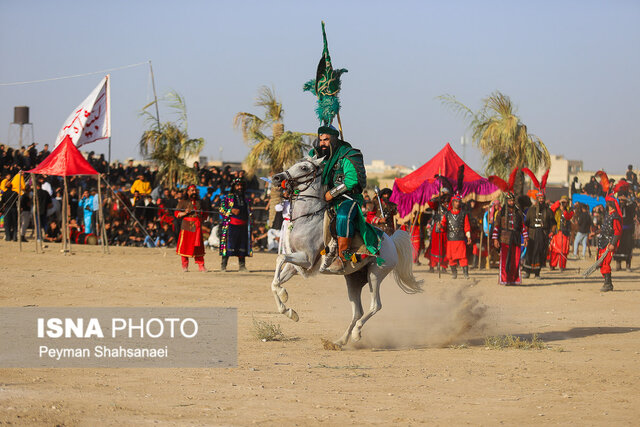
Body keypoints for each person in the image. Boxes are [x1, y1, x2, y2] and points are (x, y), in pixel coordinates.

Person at [310, 125, 382, 272]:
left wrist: (332, 193)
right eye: (320, 139)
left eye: (326, 140)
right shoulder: (315, 155)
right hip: (322, 198)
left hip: (347, 198)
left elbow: (351, 180)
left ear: (334, 140)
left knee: (343, 215)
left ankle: (343, 257)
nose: (322, 143)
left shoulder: (348, 154)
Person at [522, 169, 555, 278]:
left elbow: (553, 223)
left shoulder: (548, 211)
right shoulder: (531, 210)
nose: (541, 199)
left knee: (540, 253)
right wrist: (525, 237)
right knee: (530, 252)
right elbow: (525, 223)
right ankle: (527, 272)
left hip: (543, 234)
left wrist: (551, 233)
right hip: (532, 234)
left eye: (542, 198)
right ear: (537, 198)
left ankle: (537, 273)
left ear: (544, 199)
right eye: (539, 198)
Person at [492, 192, 528, 285]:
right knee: (505, 260)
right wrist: (495, 239)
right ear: (506, 201)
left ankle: (514, 280)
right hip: (504, 238)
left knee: (515, 260)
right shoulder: (501, 212)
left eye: (512, 200)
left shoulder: (518, 212)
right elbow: (496, 226)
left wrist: (526, 238)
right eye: (509, 200)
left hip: (516, 238)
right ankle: (504, 279)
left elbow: (522, 226)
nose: (511, 202)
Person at [219, 178, 252, 272]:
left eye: (241, 185)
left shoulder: (246, 199)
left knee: (242, 246)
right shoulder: (228, 197)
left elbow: (249, 212)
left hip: (243, 226)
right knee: (228, 246)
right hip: (231, 226)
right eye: (237, 185)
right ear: (234, 187)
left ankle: (242, 266)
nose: (239, 187)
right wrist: (231, 210)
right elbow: (221, 209)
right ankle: (223, 266)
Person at [440, 193, 471, 279]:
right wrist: (440, 226)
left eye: (459, 202)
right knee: (451, 257)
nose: (457, 203)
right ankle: (454, 273)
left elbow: (467, 226)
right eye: (456, 202)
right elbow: (443, 225)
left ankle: (466, 273)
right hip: (451, 239)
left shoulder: (464, 214)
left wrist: (468, 236)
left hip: (460, 239)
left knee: (463, 257)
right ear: (453, 202)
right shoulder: (447, 214)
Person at [175, 184, 206, 272]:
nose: (194, 192)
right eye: (192, 190)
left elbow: (206, 213)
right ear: (188, 192)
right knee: (185, 245)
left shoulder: (200, 202)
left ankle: (201, 265)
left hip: (197, 226)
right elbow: (177, 213)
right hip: (187, 225)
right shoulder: (183, 202)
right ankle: (185, 266)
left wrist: (202, 216)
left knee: (198, 246)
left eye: (195, 190)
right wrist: (185, 213)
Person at [597, 196, 623, 292]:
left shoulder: (615, 217)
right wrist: (595, 232)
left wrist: (613, 244)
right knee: (602, 263)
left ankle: (608, 284)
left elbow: (618, 232)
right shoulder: (608, 215)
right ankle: (607, 282)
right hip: (603, 243)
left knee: (606, 263)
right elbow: (605, 229)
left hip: (609, 244)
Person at [425, 189, 450, 272]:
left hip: (446, 227)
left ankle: (443, 266)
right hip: (437, 226)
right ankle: (432, 265)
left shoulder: (451, 203)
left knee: (445, 246)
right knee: (435, 246)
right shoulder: (437, 202)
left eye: (446, 194)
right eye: (444, 193)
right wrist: (438, 197)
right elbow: (430, 203)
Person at [613, 184, 636, 271]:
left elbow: (634, 205)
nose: (622, 200)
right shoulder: (616, 206)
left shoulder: (630, 206)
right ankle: (618, 264)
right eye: (620, 198)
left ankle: (628, 265)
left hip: (628, 231)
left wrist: (626, 199)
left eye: (623, 198)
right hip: (618, 231)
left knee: (628, 247)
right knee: (618, 248)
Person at [549, 196, 574, 271]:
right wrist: (558, 203)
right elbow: (551, 210)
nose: (563, 203)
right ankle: (552, 265)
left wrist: (564, 210)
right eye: (562, 202)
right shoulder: (556, 208)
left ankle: (562, 266)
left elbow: (568, 217)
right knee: (555, 250)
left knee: (564, 250)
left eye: (565, 202)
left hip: (565, 232)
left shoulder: (570, 209)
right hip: (557, 231)